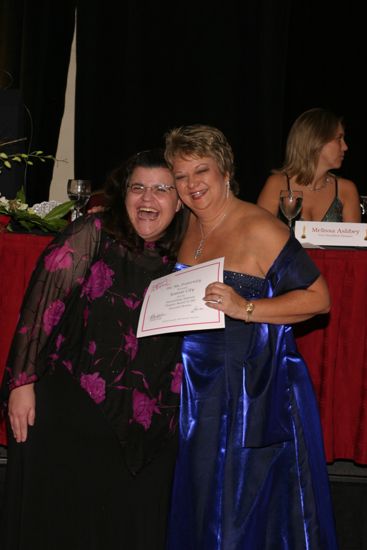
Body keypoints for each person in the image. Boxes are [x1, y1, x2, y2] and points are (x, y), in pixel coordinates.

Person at [0, 149, 188, 550]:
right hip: (75, 408)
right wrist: (21, 382)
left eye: (161, 189)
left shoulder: (190, 252)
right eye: (138, 187)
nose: (148, 199)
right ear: (124, 194)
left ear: (179, 198)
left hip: (153, 417)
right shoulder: (94, 232)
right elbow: (41, 305)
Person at [163, 124, 338, 549]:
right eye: (181, 176)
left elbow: (319, 299)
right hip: (195, 389)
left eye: (200, 171)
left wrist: (246, 308)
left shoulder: (258, 227)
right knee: (201, 502)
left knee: (238, 514)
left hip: (247, 391)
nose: (191, 185)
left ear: (225, 170)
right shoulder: (184, 223)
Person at [257, 107, 361, 223]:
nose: (345, 147)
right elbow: (259, 236)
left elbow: (354, 240)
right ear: (316, 140)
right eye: (339, 138)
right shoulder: (277, 185)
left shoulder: (346, 190)